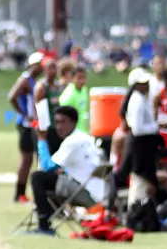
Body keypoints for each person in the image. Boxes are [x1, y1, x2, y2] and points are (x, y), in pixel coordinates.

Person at [28, 106, 105, 235]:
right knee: (51, 178)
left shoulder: (72, 141)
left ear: (73, 122)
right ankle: (49, 216)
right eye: (56, 122)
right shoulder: (85, 137)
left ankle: (44, 224)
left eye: (63, 122)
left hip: (85, 192)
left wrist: (41, 140)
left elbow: (47, 166)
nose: (59, 127)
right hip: (97, 192)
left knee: (38, 177)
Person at [7, 51, 44, 203]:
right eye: (40, 65)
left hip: (32, 124)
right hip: (26, 125)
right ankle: (19, 193)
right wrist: (24, 114)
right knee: (27, 159)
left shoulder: (34, 81)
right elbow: (12, 97)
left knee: (34, 158)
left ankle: (27, 192)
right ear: (33, 65)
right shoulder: (25, 80)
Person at [125, 68, 164, 208]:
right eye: (143, 82)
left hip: (145, 147)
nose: (146, 84)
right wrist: (155, 127)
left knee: (143, 181)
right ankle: (137, 210)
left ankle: (140, 209)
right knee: (140, 180)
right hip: (139, 147)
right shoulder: (137, 101)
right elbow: (137, 128)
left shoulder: (142, 99)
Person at [34, 57, 63, 155]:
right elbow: (38, 110)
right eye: (50, 68)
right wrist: (42, 131)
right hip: (47, 128)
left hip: (58, 127)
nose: (53, 71)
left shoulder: (58, 86)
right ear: (45, 70)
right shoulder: (42, 87)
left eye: (55, 68)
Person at [59, 67, 90, 133]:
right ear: (72, 79)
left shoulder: (84, 89)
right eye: (79, 78)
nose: (82, 80)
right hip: (74, 132)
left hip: (84, 131)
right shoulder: (68, 95)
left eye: (84, 77)